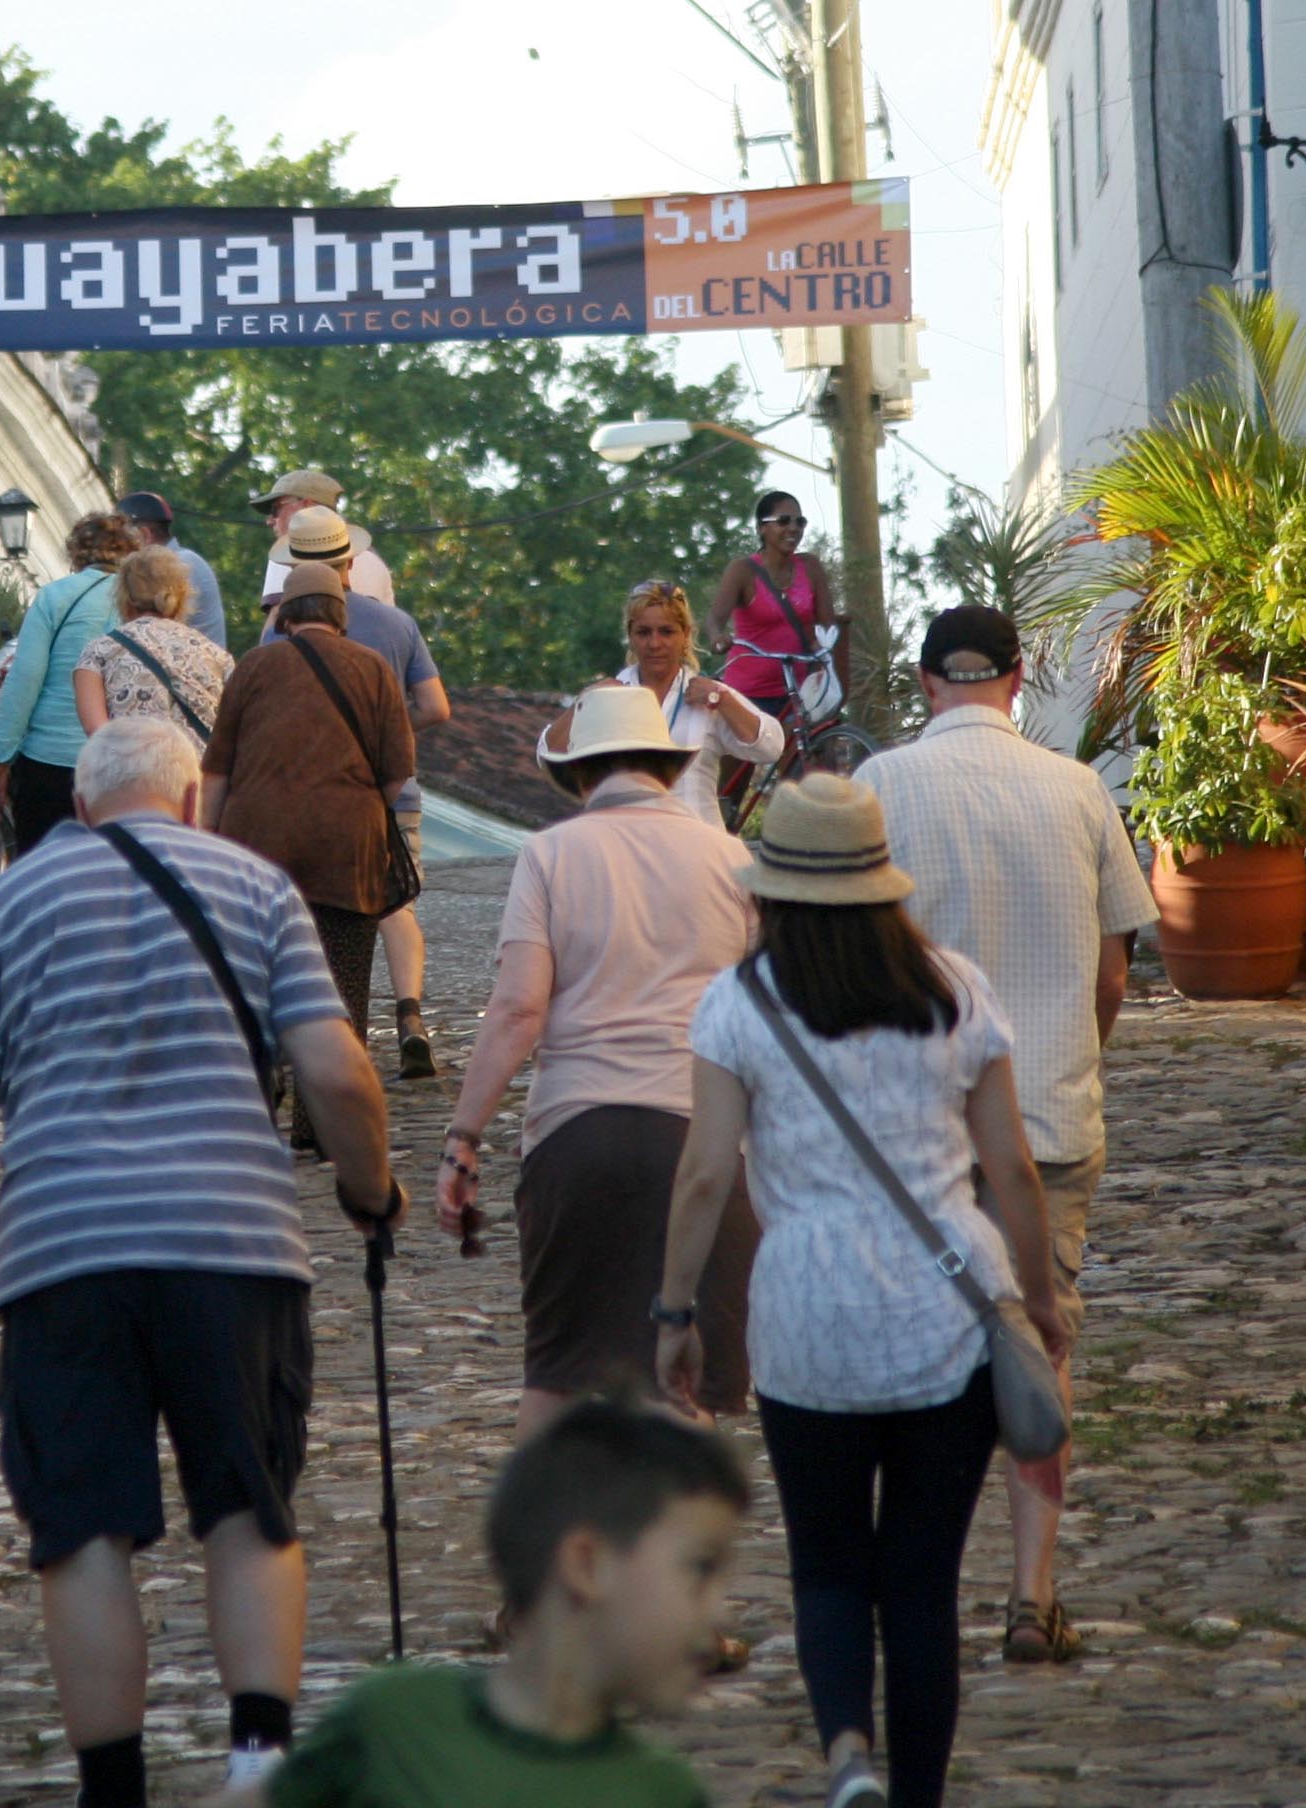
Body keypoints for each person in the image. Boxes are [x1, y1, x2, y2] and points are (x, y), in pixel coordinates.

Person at [0, 715, 402, 1805]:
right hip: (233, 1243)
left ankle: (112, 1786)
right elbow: (334, 1065)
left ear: (79, 809)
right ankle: (260, 1754)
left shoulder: (9, 901)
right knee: (247, 1502)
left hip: (62, 1253)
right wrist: (369, 1188)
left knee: (81, 1528)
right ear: (185, 802)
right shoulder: (255, 889)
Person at [655, 775, 1067, 1808]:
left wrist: (674, 1309)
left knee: (827, 1565)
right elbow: (1011, 1167)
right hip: (949, 1309)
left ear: (774, 891)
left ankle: (847, 1754)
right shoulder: (955, 989)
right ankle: (916, 1792)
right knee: (920, 1584)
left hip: (805, 1313)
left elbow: (705, 1171)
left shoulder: (737, 1002)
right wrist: (1043, 1300)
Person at [857, 603, 1158, 1666]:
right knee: (1041, 1344)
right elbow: (1116, 970)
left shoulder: (882, 786)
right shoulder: (1079, 790)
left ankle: (911, 1582)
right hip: (1047, 1118)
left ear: (927, 679)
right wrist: (1073, 1048)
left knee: (916, 1353)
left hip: (917, 1128)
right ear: (1018, 679)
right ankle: (1031, 1594)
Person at [437, 685, 758, 1439]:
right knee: (688, 1391)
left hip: (577, 1138)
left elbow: (520, 1008)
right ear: (668, 767)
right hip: (702, 1142)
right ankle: (680, 1557)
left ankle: (547, 1551)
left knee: (557, 1379)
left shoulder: (549, 854)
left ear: (579, 775)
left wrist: (464, 1137)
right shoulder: (732, 859)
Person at [262, 1399, 743, 1808]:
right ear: (588, 1566)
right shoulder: (394, 1721)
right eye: (700, 1569)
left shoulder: (665, 1792)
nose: (720, 1612)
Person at [204, 565, 416, 1148]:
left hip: (257, 856)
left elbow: (216, 770)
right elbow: (399, 776)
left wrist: (207, 844)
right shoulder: (373, 670)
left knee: (257, 982)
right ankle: (320, 1126)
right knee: (340, 988)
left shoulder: (253, 668)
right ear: (340, 614)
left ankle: (253, 1105)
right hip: (347, 853)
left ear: (286, 615)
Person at [261, 508, 450, 1078]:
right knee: (396, 904)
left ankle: (312, 1033)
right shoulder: (397, 625)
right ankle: (410, 1015)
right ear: (349, 562)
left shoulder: (277, 631)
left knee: (314, 912)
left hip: (310, 795)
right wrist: (385, 736)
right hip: (392, 791)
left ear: (294, 567)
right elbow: (436, 707)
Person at [0, 510, 135, 853]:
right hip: (119, 761)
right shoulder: (138, 603)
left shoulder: (55, 597)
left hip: (49, 761)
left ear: (76, 552)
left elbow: (25, 678)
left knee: (41, 871)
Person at [608, 578, 783, 831]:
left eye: (666, 631)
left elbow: (771, 748)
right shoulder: (611, 696)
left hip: (697, 851)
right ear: (630, 636)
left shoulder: (710, 695)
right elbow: (549, 752)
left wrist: (721, 700)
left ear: (686, 634)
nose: (655, 643)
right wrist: (588, 700)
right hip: (628, 851)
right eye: (643, 632)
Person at [73, 544, 234, 742]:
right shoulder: (218, 658)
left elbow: (95, 729)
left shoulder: (99, 652)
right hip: (193, 771)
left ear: (125, 596)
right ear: (182, 595)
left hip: (128, 769)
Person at [705, 491, 846, 715]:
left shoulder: (810, 567)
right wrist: (717, 638)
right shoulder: (743, 570)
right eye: (783, 521)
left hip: (797, 691)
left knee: (808, 747)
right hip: (748, 693)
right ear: (762, 528)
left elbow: (827, 623)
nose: (793, 528)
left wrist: (820, 644)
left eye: (800, 522)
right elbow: (715, 619)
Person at [249, 467, 398, 609]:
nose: (270, 520)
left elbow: (274, 630)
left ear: (307, 506)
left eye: (276, 509)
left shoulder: (284, 557)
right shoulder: (369, 557)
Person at [116, 490, 228, 647]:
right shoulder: (181, 561)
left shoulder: (178, 565)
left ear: (143, 534)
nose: (117, 548)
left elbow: (153, 636)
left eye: (121, 538)